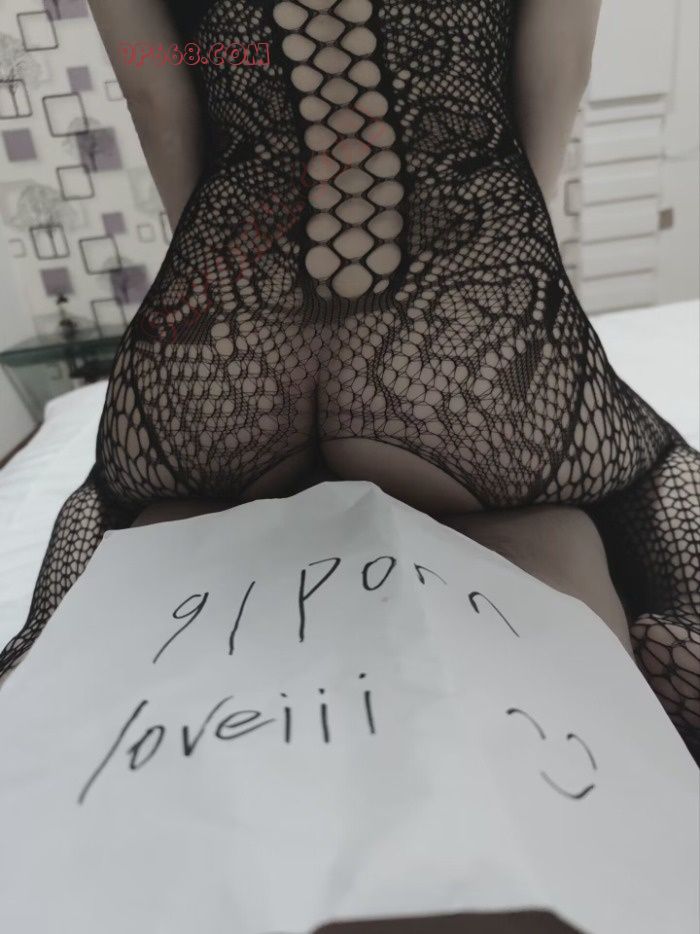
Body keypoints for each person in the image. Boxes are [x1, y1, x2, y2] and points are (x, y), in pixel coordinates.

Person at [0, 0, 697, 767]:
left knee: (108, 495)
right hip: (446, 314)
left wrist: (218, 278)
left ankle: (38, 657)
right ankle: (679, 631)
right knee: (653, 468)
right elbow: (558, 70)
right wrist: (506, 267)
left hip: (238, 325)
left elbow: (156, 92)